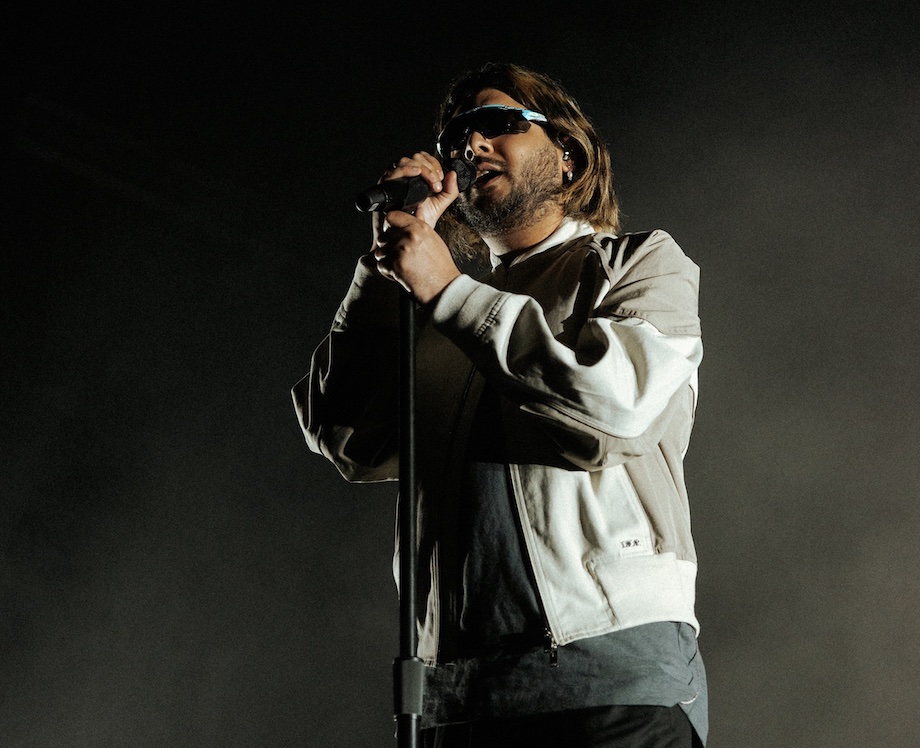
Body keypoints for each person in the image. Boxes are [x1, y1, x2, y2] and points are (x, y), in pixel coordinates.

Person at [292, 62, 708, 748]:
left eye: (497, 122)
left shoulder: (636, 264)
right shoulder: (435, 311)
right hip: (460, 697)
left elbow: (617, 410)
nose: (471, 143)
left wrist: (449, 291)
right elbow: (347, 438)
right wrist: (385, 269)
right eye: (456, 135)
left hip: (608, 674)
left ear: (567, 153)